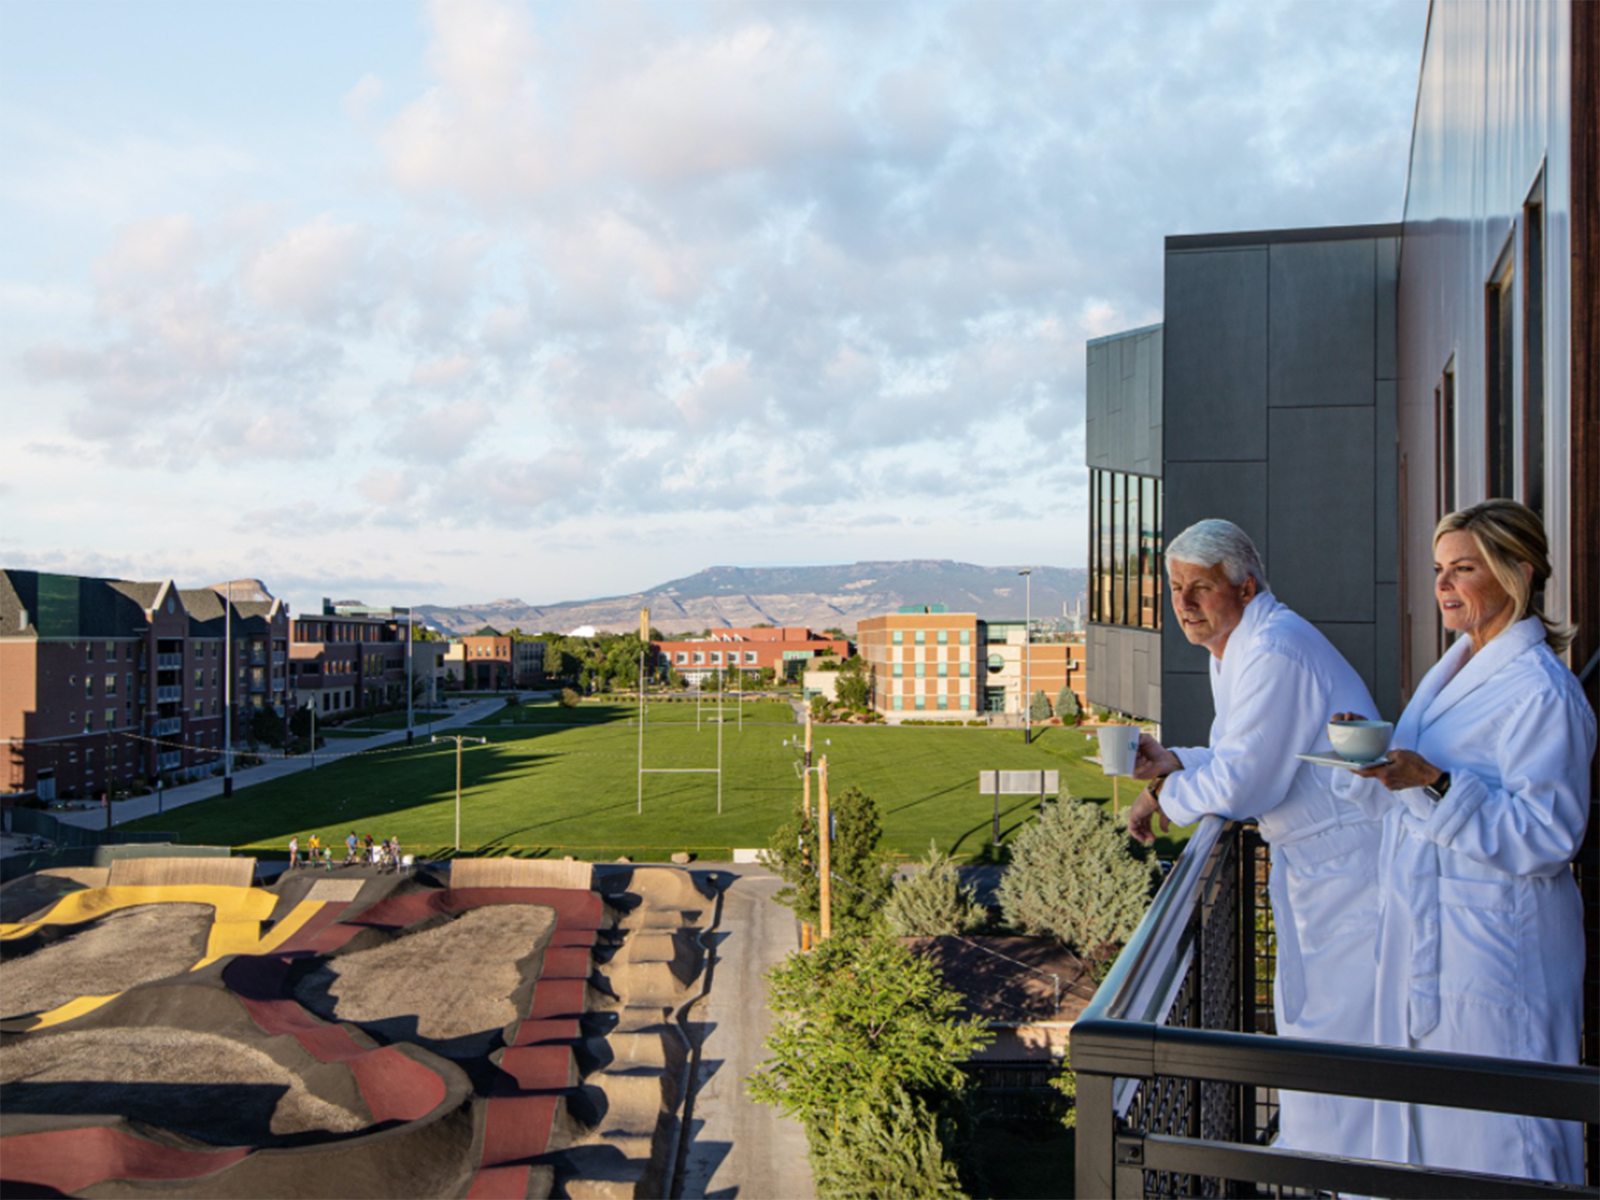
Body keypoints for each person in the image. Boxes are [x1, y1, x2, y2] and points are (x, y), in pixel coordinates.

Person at [1334, 500, 1593, 1181]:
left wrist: (1437, 784)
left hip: (1498, 950)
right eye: (1438, 570)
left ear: (1517, 572)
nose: (1443, 586)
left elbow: (1549, 836)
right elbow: (1428, 772)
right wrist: (1383, 750)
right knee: (1442, 1130)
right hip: (1436, 937)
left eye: (1463, 569)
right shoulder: (1454, 667)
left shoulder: (1544, 694)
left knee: (1508, 1131)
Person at [1125, 519, 1384, 1159]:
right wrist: (1174, 760)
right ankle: (1318, 1156)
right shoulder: (1240, 647)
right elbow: (1243, 751)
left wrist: (1164, 796)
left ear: (1244, 586)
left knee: (1339, 1027)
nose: (1184, 604)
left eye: (1201, 588)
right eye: (1176, 588)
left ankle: (1346, 1169)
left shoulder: (1275, 650)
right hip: (1319, 866)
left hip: (1352, 870)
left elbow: (1244, 783)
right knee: (1311, 1021)